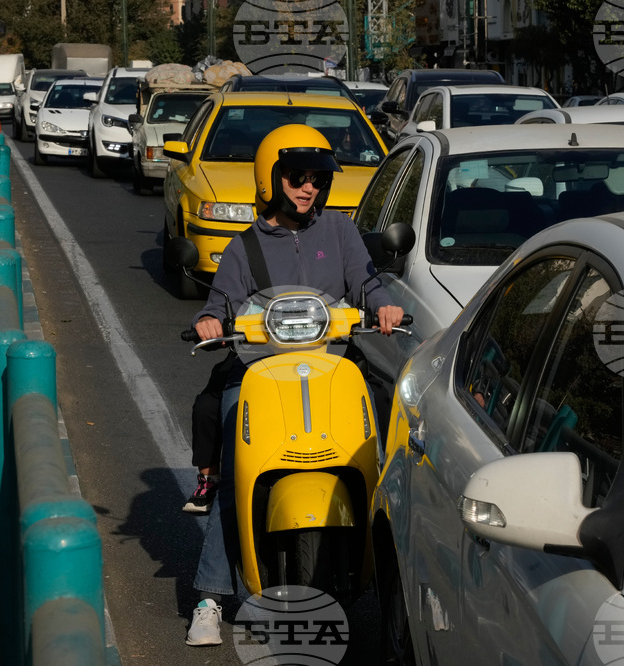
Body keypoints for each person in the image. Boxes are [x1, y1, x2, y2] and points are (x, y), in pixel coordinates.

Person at [184, 124, 403, 647]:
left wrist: (383, 305)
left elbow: (367, 283)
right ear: (271, 179)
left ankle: (398, 598)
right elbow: (221, 302)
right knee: (240, 470)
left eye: (316, 179)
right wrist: (211, 321)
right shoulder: (245, 247)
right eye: (296, 178)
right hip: (260, 373)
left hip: (331, 367)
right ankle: (211, 597)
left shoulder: (342, 232)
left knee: (384, 450)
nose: (308, 188)